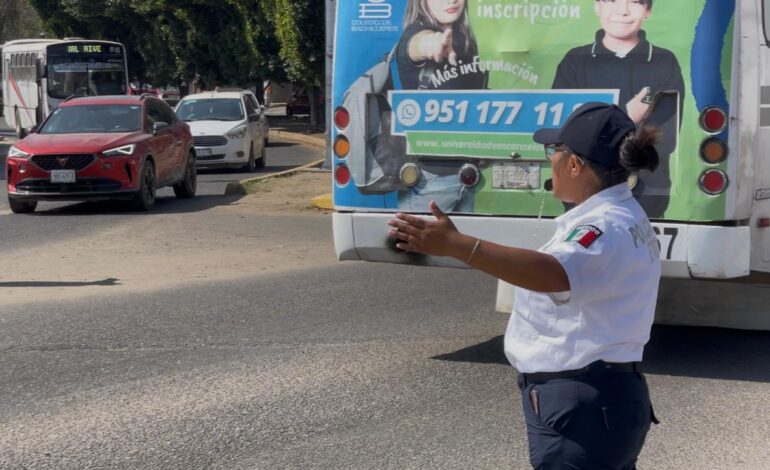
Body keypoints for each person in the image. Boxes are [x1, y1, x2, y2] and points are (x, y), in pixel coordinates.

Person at [388, 102, 661, 469]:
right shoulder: (622, 213)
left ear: (576, 164)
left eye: (555, 150)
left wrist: (456, 245)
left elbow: (554, 272)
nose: (551, 160)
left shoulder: (603, 227)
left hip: (584, 407)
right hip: (604, 400)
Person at [552, 0, 683, 217]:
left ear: (648, 10)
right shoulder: (575, 62)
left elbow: (664, 139)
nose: (622, 11)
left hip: (645, 198)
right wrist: (628, 116)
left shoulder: (663, 61)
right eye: (611, 0)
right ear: (597, 7)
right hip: (582, 198)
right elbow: (565, 134)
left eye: (635, 2)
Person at [395, 0, 488, 213]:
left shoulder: (465, 41)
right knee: (420, 246)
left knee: (458, 246)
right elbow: (419, 44)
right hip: (429, 179)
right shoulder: (415, 33)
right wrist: (434, 43)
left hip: (466, 176)